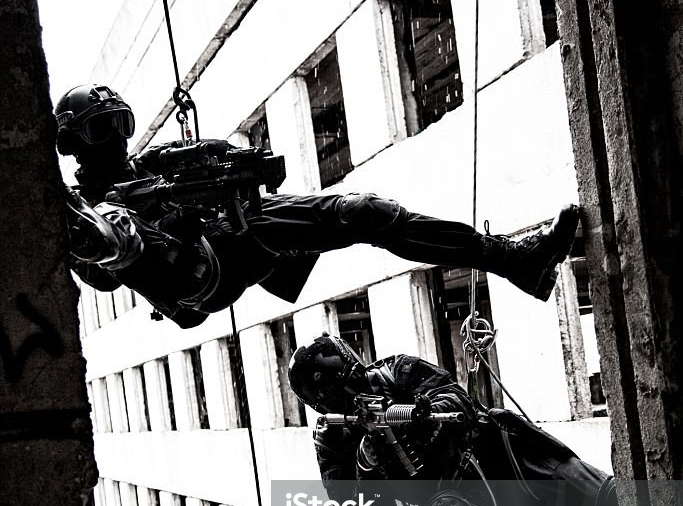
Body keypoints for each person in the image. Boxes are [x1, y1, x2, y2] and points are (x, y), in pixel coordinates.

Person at [56, 84, 581, 328]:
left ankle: (515, 261)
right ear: (73, 143)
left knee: (365, 213)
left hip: (239, 238)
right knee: (116, 236)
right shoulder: (94, 209)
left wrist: (222, 169)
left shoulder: (160, 164)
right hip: (195, 279)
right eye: (102, 129)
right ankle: (517, 261)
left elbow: (240, 179)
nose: (117, 140)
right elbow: (102, 278)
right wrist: (104, 234)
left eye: (121, 123)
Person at [288, 333, 641, 506]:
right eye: (341, 400)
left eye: (354, 387)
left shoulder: (398, 371)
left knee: (591, 489)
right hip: (462, 498)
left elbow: (459, 404)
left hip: (498, 455)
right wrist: (367, 464)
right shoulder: (333, 441)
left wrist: (416, 415)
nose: (355, 401)